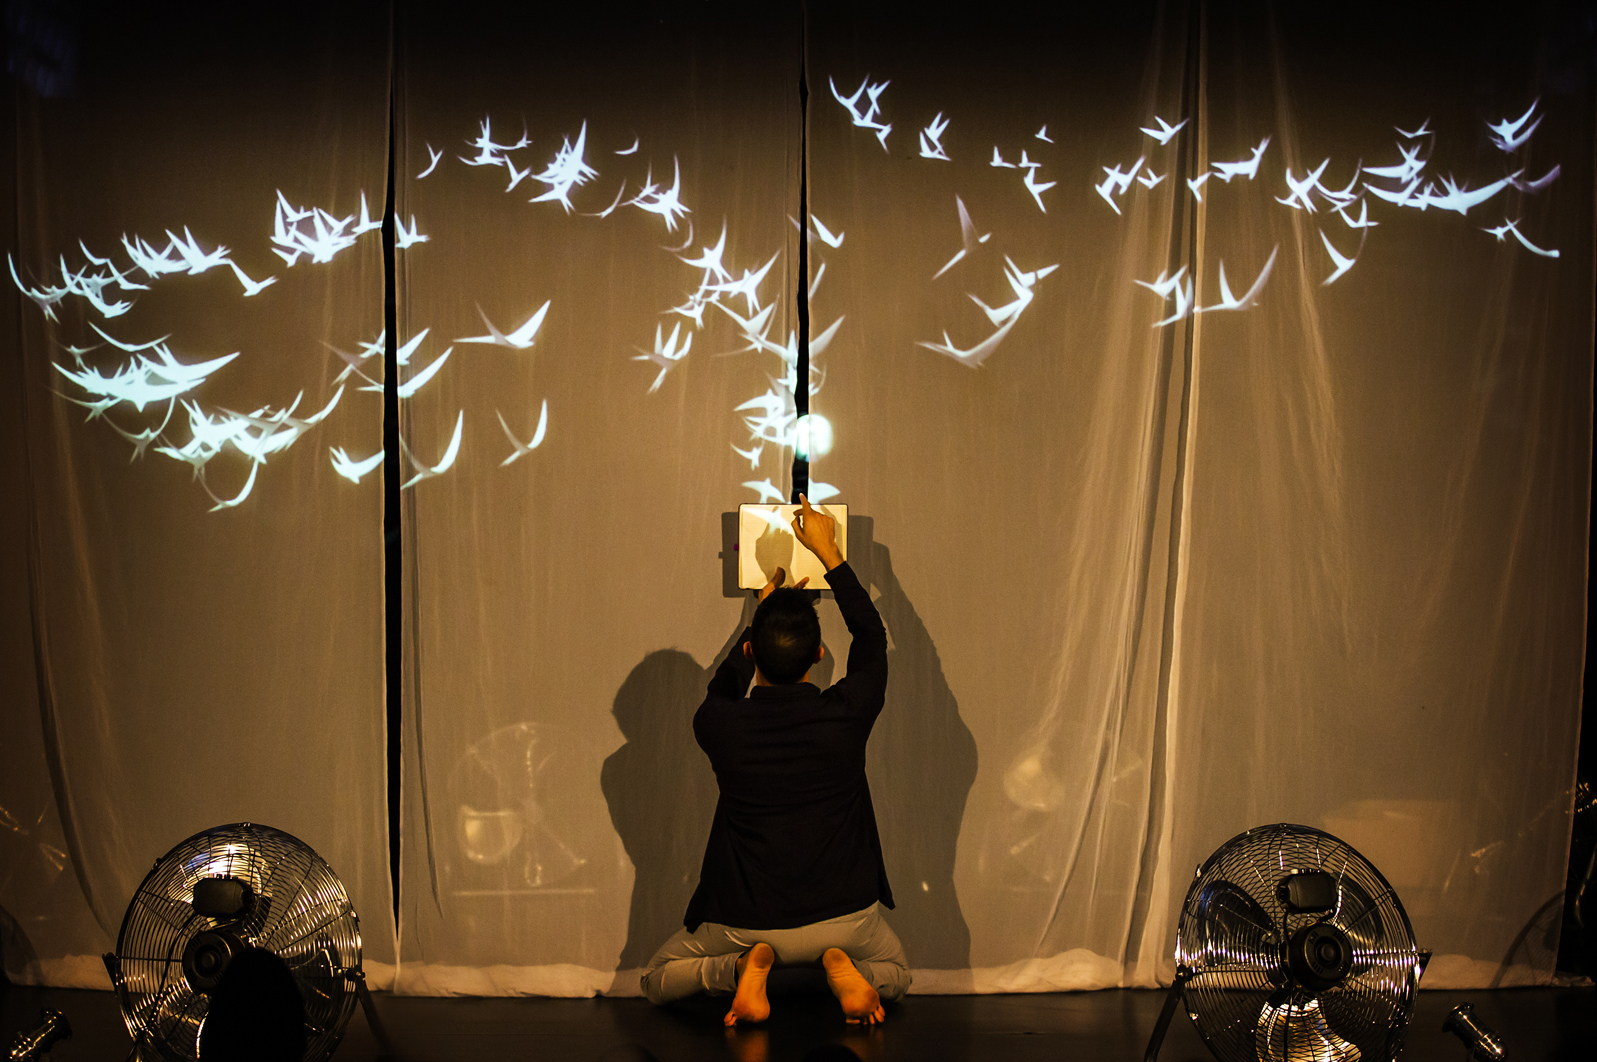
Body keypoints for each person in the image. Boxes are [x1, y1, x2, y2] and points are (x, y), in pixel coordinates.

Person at [640, 495, 910, 1025]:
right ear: (817, 657)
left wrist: (759, 617)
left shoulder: (720, 726)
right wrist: (831, 555)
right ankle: (836, 966)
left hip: (746, 918)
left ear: (751, 655)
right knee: (895, 973)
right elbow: (871, 640)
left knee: (656, 977)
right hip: (845, 917)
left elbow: (722, 688)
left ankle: (742, 969)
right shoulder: (846, 717)